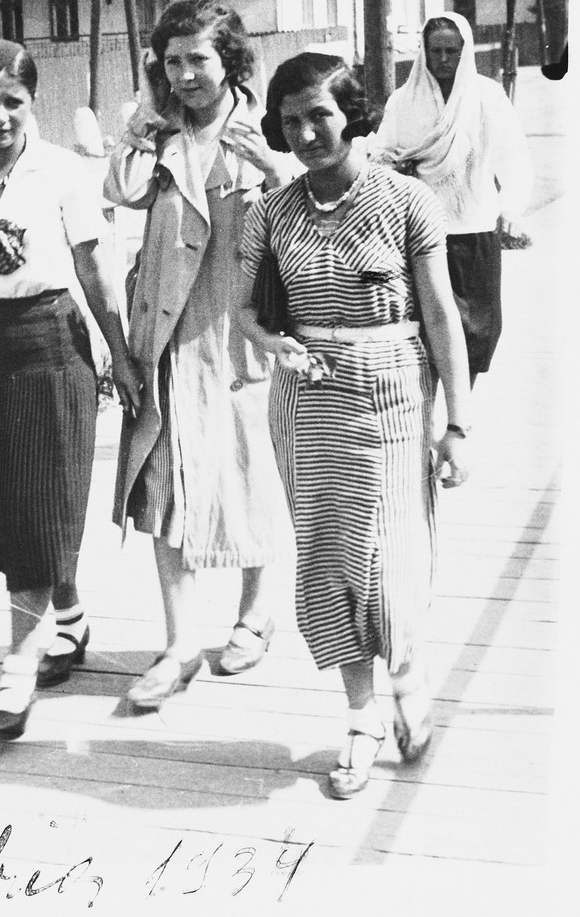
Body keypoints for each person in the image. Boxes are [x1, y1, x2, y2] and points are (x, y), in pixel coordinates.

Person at [237, 52, 472, 799]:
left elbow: (439, 316)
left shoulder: (407, 201)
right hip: (306, 403)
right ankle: (360, 715)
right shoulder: (268, 212)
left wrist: (456, 424)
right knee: (331, 556)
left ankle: (407, 675)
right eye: (290, 119)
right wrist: (271, 344)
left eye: (320, 115)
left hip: (396, 393)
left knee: (395, 555)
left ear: (351, 114)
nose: (306, 132)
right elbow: (245, 311)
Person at [0, 39, 141, 741]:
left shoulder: (62, 171)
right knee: (10, 509)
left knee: (40, 502)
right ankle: (67, 626)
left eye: (14, 102)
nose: (0, 117)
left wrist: (120, 355)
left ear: (32, 104)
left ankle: (17, 670)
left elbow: (95, 269)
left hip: (49, 343)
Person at [104, 0, 293, 711]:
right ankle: (180, 643)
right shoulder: (155, 131)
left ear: (229, 62)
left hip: (235, 328)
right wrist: (144, 127)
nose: (185, 75)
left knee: (248, 477)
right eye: (172, 61)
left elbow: (306, 211)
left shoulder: (262, 126)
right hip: (165, 333)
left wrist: (270, 165)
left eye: (198, 61)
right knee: (165, 485)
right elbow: (118, 192)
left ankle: (254, 612)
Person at [371, 13, 533, 385]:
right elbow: (380, 156)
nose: (443, 59)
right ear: (423, 53)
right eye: (435, 51)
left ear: (466, 51)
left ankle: (460, 414)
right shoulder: (403, 100)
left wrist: (511, 208)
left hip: (474, 232)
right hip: (421, 237)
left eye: (452, 51)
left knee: (476, 332)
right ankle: (424, 417)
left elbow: (514, 156)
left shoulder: (486, 96)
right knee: (426, 332)